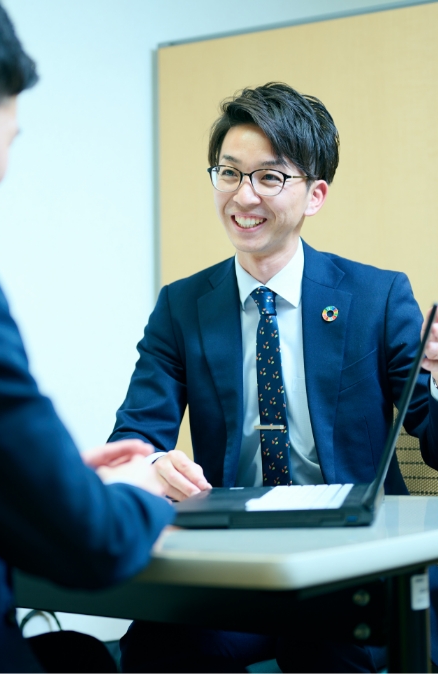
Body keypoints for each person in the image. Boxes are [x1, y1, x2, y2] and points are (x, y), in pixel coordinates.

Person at [110, 82, 438, 672]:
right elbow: (132, 439)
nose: (243, 195)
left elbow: (434, 441)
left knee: (327, 649)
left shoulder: (377, 296)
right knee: (157, 647)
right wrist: (155, 462)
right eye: (229, 173)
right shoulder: (182, 306)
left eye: (269, 176)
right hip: (239, 562)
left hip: (354, 561)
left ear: (314, 195)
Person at [0, 1, 174, 672]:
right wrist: (143, 488)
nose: (3, 170)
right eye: (12, 136)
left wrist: (50, 478)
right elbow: (92, 542)